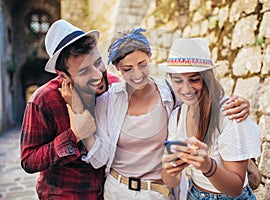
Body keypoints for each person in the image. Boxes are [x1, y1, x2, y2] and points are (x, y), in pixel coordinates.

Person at [68, 28, 251, 200]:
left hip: (158, 192)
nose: (138, 74)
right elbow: (99, 159)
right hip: (117, 190)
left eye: (142, 64)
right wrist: (79, 119)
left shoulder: (170, 93)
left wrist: (239, 103)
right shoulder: (107, 101)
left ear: (150, 57)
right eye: (128, 69)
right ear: (117, 67)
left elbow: (204, 99)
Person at [20, 19, 111, 199]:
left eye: (98, 62)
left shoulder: (112, 86)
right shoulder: (43, 101)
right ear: (63, 76)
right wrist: (73, 135)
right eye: (84, 72)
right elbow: (28, 160)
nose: (97, 75)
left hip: (106, 193)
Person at [160, 38, 261, 199]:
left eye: (194, 79)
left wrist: (208, 166)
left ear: (207, 78)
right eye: (178, 80)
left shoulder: (230, 113)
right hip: (193, 193)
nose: (186, 89)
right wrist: (170, 166)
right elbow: (170, 181)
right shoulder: (177, 116)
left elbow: (235, 189)